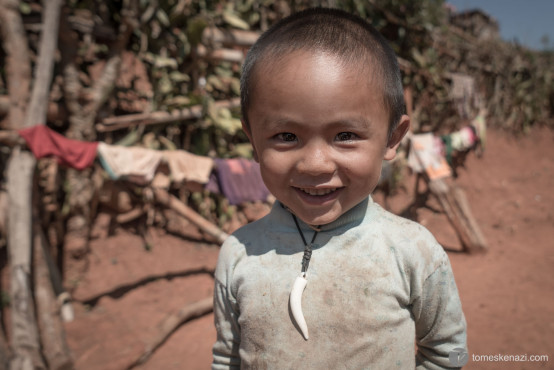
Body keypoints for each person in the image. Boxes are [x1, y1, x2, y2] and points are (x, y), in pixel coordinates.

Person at [212, 8, 467, 369]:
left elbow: (448, 352)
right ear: (253, 141)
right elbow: (227, 358)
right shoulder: (239, 255)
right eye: (286, 136)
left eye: (345, 136)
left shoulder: (414, 253)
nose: (315, 164)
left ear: (392, 139)